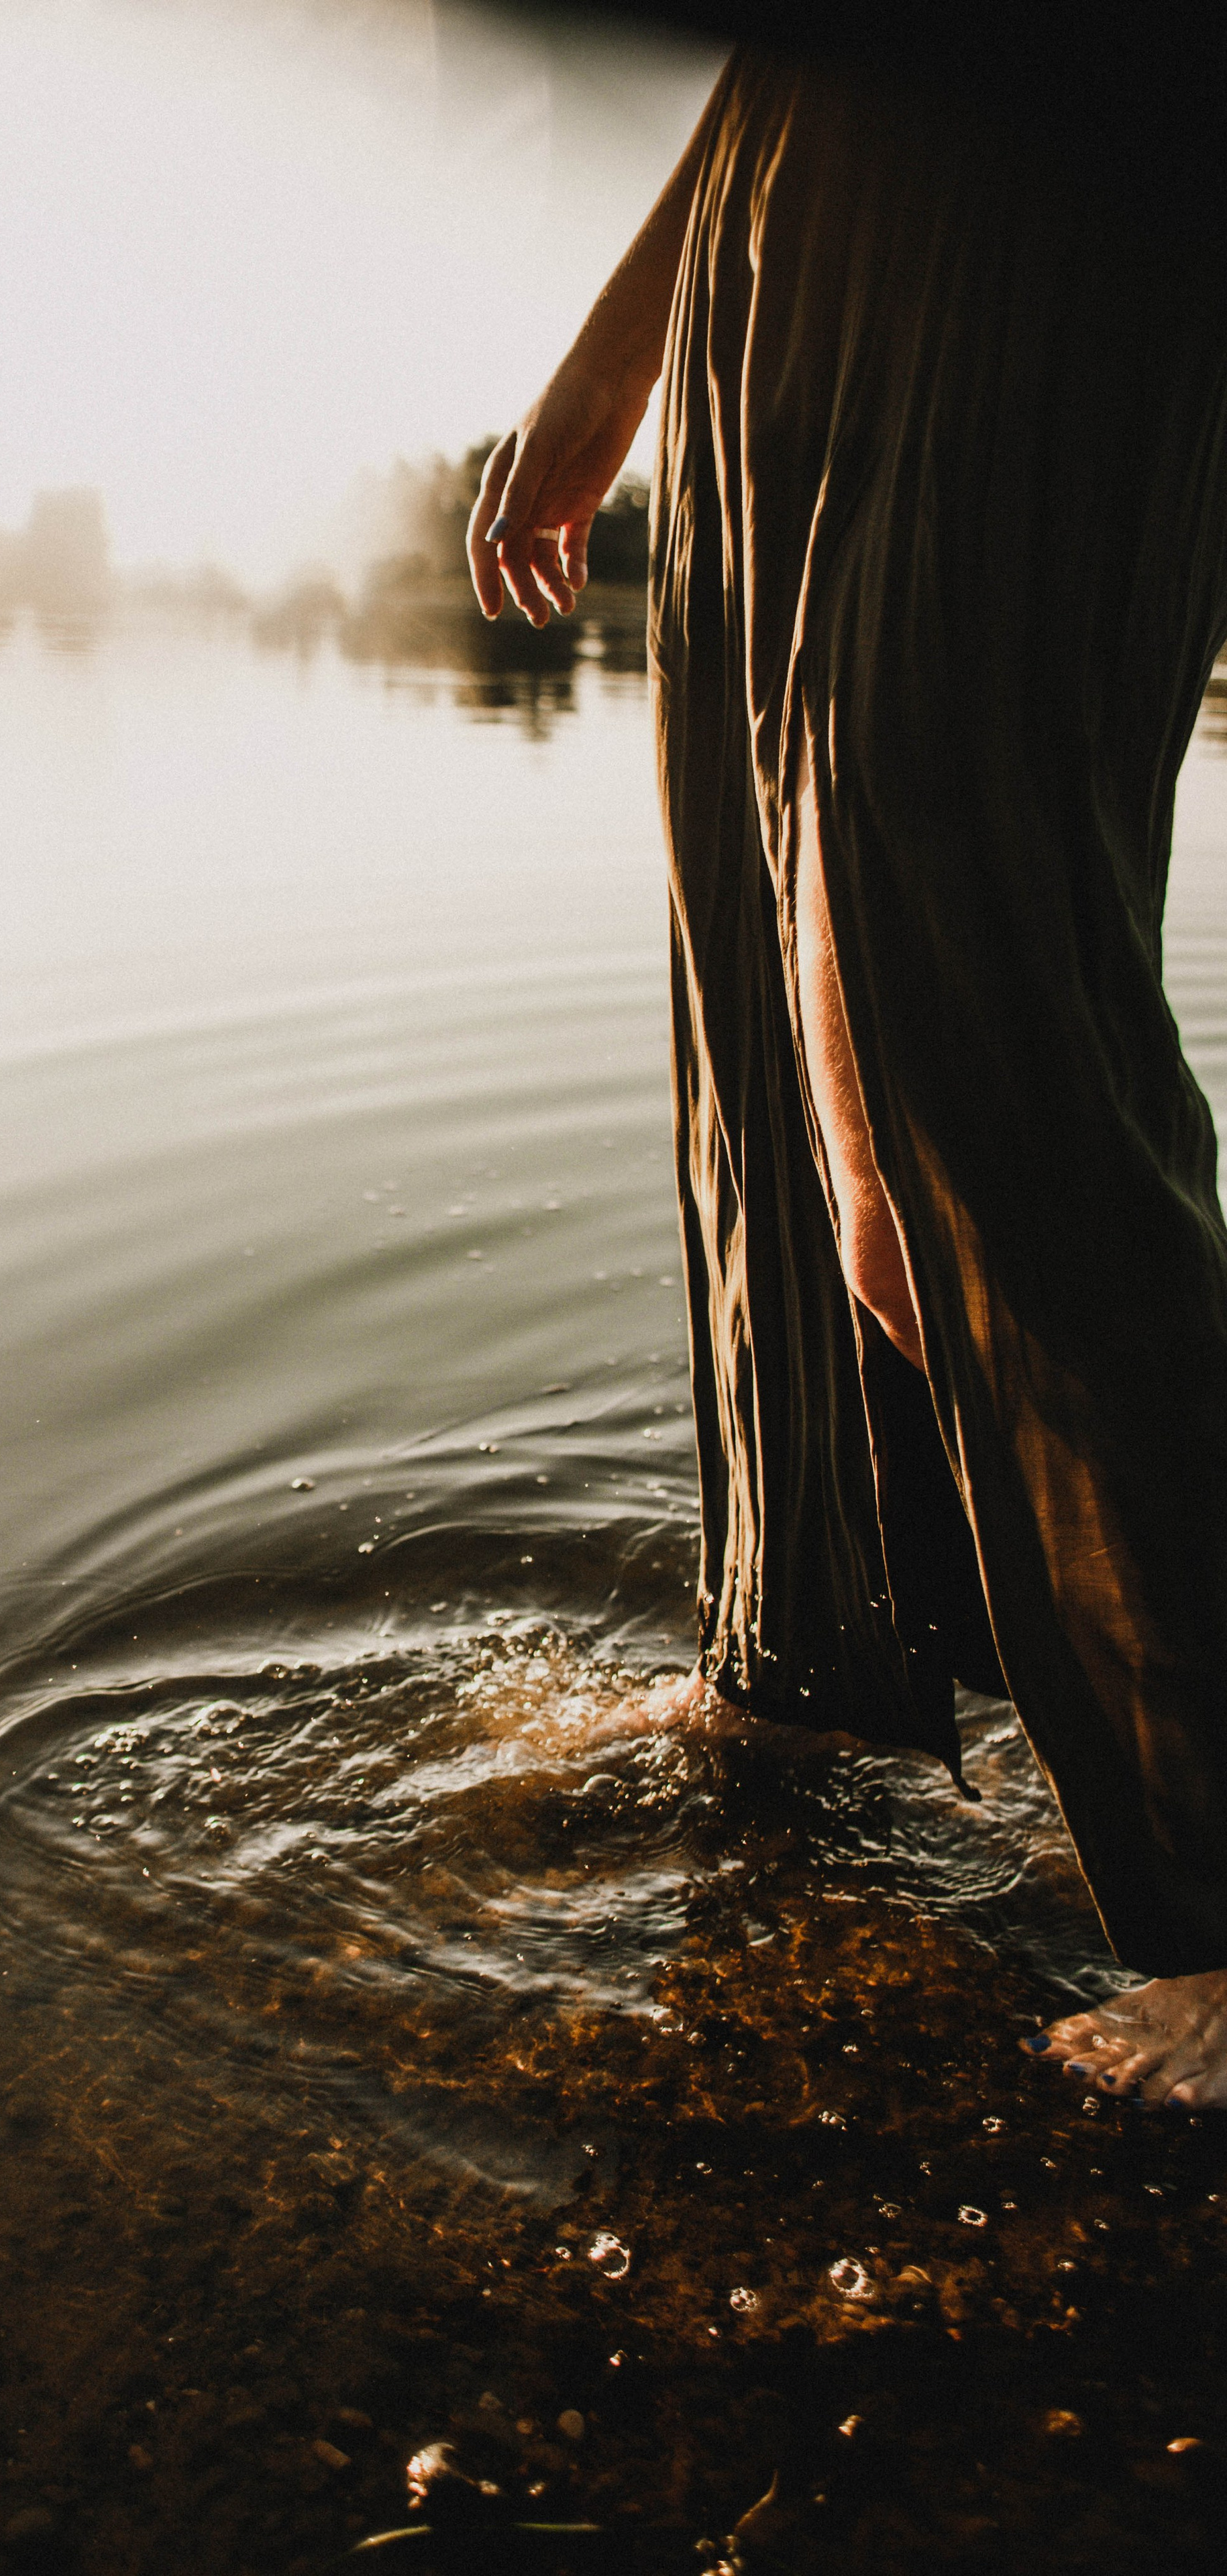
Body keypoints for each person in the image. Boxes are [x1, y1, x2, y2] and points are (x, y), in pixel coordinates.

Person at [468, 30, 1227, 2108]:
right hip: (791, 237)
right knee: (761, 1038)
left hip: (1076, 183)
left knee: (951, 1032)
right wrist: (624, 343)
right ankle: (810, 1665)